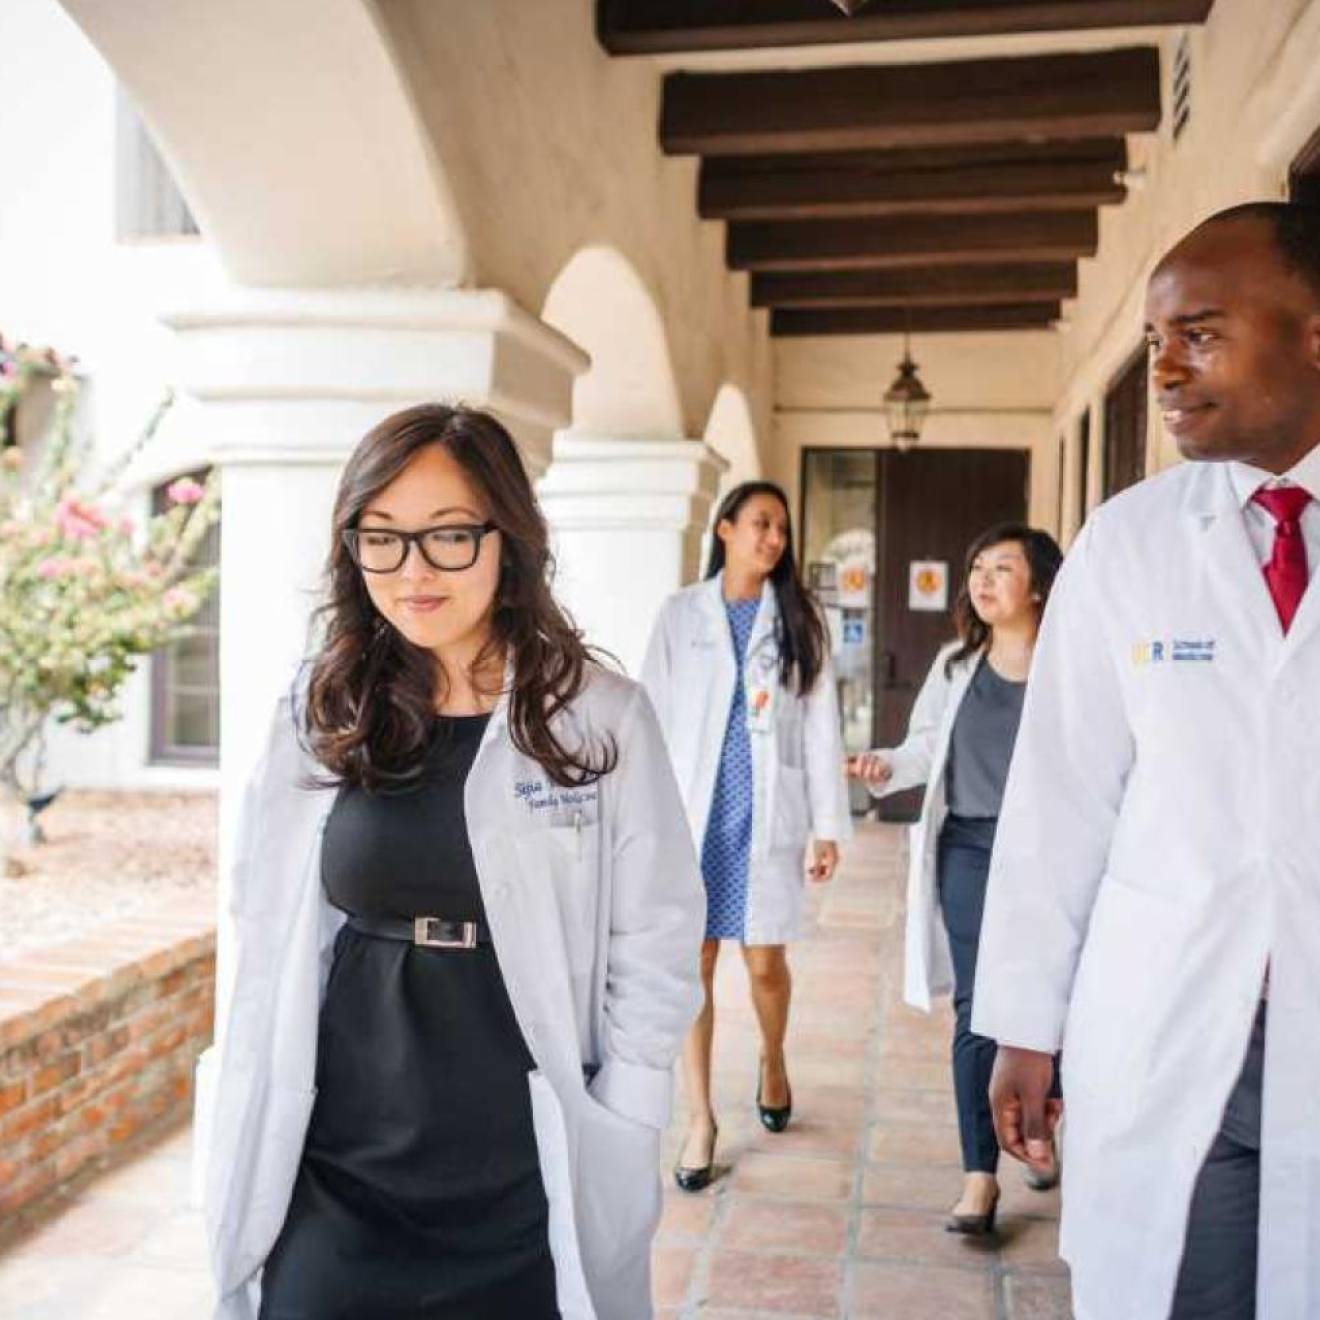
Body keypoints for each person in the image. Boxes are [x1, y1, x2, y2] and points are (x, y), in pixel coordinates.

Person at [192, 404, 705, 1320]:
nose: (413, 571)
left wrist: (625, 1108)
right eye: (380, 539)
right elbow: (264, 912)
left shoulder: (599, 717)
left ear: (509, 537)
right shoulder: (322, 706)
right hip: (338, 1143)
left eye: (450, 536)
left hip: (519, 1147)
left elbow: (657, 936)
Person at [974, 201, 1320, 1320]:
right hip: (1175, 1016)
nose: (1165, 369)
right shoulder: (1128, 543)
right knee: (1187, 1288)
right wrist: (1027, 1024)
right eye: (1156, 342)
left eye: (1202, 334)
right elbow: (1060, 802)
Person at [848, 523, 1062, 1234]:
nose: (984, 578)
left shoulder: (1072, 663)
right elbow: (921, 751)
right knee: (979, 1004)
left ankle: (1036, 1128)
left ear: (1038, 586)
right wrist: (885, 764)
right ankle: (979, 1176)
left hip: (1049, 853)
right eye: (978, 566)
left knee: (1052, 1001)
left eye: (1003, 568)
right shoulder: (953, 664)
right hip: (968, 847)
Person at [640, 481, 851, 1193]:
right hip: (692, 815)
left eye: (781, 530)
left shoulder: (799, 618)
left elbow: (822, 726)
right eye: (761, 524)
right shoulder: (679, 615)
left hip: (765, 812)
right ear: (724, 527)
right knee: (694, 962)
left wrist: (828, 824)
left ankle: (772, 1056)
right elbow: (650, 719)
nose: (772, 539)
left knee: (764, 963)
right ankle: (699, 1120)